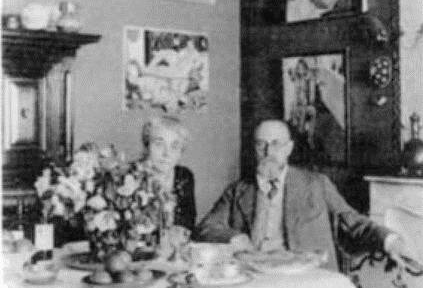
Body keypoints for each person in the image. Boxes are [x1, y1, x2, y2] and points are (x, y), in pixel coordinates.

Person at [195, 119, 408, 271]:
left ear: (289, 148)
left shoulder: (316, 184)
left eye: (276, 144)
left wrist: (389, 240)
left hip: (307, 279)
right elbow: (206, 227)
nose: (268, 152)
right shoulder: (238, 190)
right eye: (261, 144)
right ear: (254, 148)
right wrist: (234, 237)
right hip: (255, 278)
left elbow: (353, 222)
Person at [140, 115, 196, 232]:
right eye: (159, 144)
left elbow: (187, 224)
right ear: (146, 146)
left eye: (174, 147)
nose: (167, 154)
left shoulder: (184, 176)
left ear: (181, 152)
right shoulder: (130, 176)